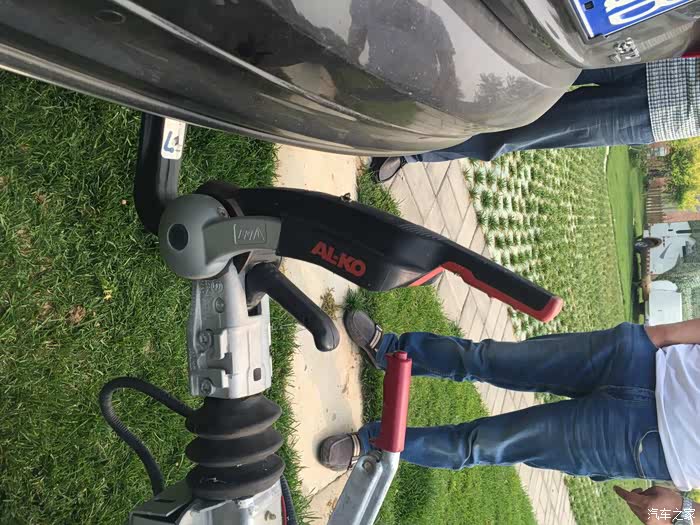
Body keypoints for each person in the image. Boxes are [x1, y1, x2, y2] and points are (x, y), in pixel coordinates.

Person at [319, 310, 700, 524]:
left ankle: (374, 445)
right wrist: (656, 335)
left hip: (648, 445)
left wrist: (680, 512)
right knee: (490, 358)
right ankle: (393, 351)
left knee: (485, 444)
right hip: (642, 358)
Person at [370, 57, 700, 182]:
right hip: (660, 46)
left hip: (664, 112)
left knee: (527, 131)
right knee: (520, 68)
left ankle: (416, 149)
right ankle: (408, 81)